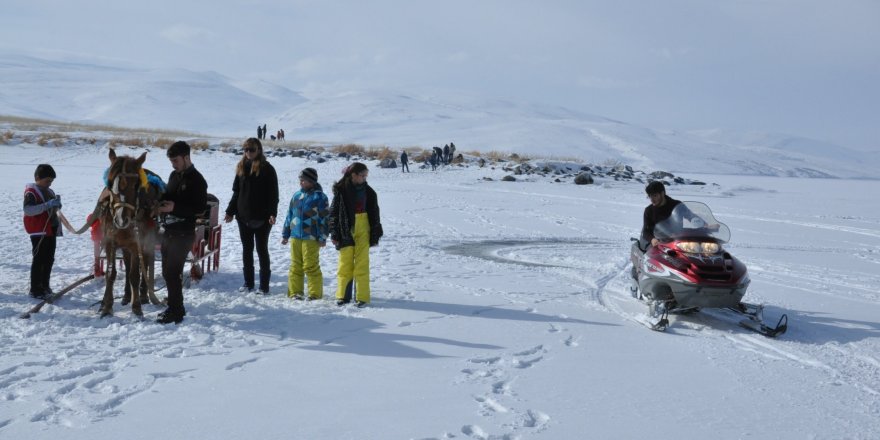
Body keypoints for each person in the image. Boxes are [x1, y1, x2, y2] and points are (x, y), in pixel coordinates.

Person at [157, 141, 208, 324]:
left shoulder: (198, 180)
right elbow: (169, 195)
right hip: (168, 231)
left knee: (173, 272)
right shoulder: (173, 175)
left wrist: (175, 207)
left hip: (184, 233)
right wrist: (159, 200)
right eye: (171, 161)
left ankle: (176, 311)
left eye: (176, 160)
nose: (173, 164)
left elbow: (200, 209)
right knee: (166, 271)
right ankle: (173, 302)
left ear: (186, 157)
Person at [225, 137, 279, 294]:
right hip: (243, 217)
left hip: (263, 218)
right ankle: (248, 283)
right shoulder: (241, 168)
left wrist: (272, 213)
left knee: (262, 250)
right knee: (247, 250)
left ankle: (264, 286)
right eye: (246, 149)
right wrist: (230, 211)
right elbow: (236, 193)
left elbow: (273, 195)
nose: (248, 153)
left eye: (252, 149)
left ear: (259, 150)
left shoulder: (268, 169)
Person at [329, 162, 383, 307]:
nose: (365, 178)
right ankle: (342, 296)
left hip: (363, 228)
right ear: (353, 175)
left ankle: (362, 297)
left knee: (362, 263)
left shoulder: (370, 192)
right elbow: (333, 213)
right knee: (345, 263)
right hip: (345, 229)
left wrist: (375, 234)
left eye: (366, 176)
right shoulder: (341, 191)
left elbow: (375, 214)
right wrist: (334, 232)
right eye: (363, 175)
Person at [281, 167, 329, 300]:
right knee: (295, 265)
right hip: (295, 236)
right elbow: (289, 215)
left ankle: (315, 294)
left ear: (312, 181)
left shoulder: (320, 197)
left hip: (311, 237)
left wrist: (323, 237)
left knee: (310, 265)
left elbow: (324, 219)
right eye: (300, 180)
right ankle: (295, 292)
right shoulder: (297, 196)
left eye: (304, 180)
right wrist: (286, 233)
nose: (301, 182)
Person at [23, 164, 62, 298]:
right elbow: (28, 210)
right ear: (38, 178)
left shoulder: (49, 191)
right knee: (39, 259)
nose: (49, 184)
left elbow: (51, 209)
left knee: (49, 259)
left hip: (50, 230)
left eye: (51, 181)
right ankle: (35, 289)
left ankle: (45, 285)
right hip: (39, 231)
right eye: (47, 181)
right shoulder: (31, 192)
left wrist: (57, 205)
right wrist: (48, 205)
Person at [641, 181, 681, 247]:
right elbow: (645, 231)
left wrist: (703, 224)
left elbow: (690, 216)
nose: (652, 199)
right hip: (659, 243)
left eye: (654, 196)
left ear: (662, 193)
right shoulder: (649, 210)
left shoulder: (677, 205)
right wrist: (652, 239)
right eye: (650, 196)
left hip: (678, 241)